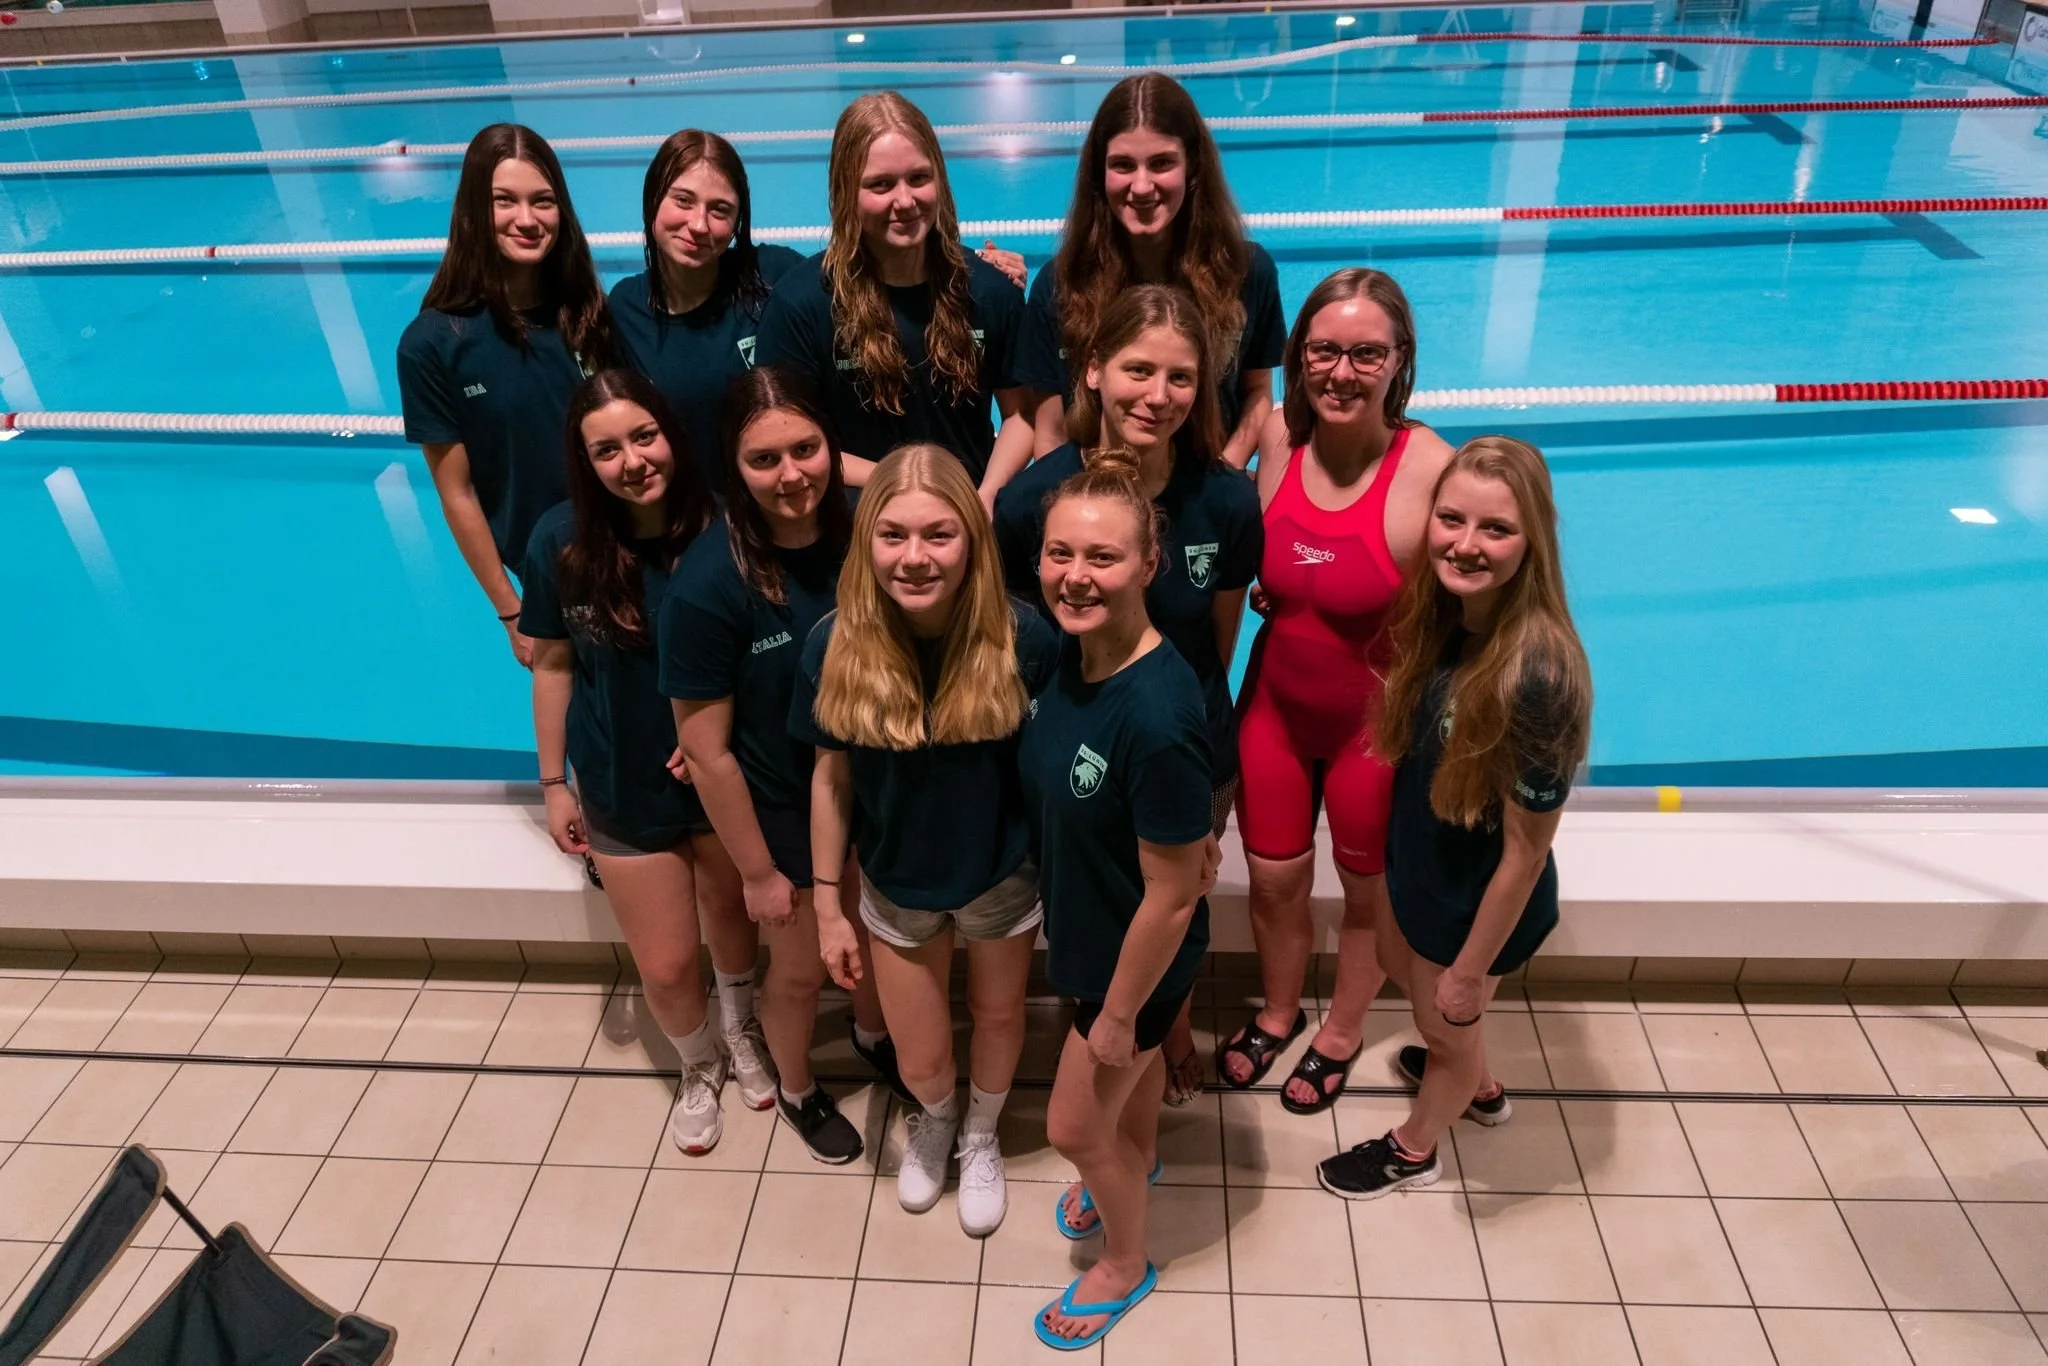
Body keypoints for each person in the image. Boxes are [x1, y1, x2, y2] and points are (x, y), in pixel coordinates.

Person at [994, 284, 1257, 1106]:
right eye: (1139, 370)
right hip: (1073, 740)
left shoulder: (1226, 499)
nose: (1158, 395)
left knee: (1171, 896)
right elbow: (1021, 638)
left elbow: (1216, 642)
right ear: (1094, 370)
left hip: (1185, 746)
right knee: (1103, 898)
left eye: (1181, 377)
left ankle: (1164, 1026)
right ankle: (1116, 1028)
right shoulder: (1032, 501)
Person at [791, 444, 1059, 1235]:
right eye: (894, 535)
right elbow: (831, 782)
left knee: (998, 1015)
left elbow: (1049, 775)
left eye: (939, 535)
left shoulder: (1021, 637)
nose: (914, 558)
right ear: (866, 540)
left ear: (972, 540)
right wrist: (829, 907)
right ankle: (937, 1117)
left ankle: (981, 1133)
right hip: (896, 880)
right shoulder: (833, 644)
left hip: (1001, 873)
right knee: (918, 1050)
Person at [1316, 436, 1592, 1199]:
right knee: (1420, 994)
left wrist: (1470, 974)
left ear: (1532, 541)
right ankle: (1476, 1083)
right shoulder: (1453, 617)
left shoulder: (1537, 677)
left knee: (1444, 1022)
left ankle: (1415, 1149)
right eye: (1452, 519)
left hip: (1474, 905)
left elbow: (1525, 856)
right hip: (1428, 870)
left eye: (1495, 529)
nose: (1466, 544)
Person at [1221, 269, 1456, 1114]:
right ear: (1298, 355)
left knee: (1367, 895)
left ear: (1400, 360)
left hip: (1373, 730)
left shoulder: (1430, 467)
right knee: (1273, 882)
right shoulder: (1277, 437)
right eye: (1324, 351)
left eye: (1366, 354)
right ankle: (1279, 1011)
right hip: (1275, 714)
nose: (1342, 373)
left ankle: (1343, 1031)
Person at [523, 369, 773, 1153]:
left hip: (719, 776)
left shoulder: (729, 526)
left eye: (644, 436)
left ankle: (742, 1027)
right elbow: (553, 664)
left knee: (731, 925)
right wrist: (553, 783)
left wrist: (708, 737)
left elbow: (766, 653)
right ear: (584, 460)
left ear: (670, 433)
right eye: (607, 450)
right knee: (664, 968)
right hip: (619, 780)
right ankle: (699, 1063)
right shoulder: (558, 542)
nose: (633, 461)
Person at [659, 366, 900, 1165]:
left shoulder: (866, 532)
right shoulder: (708, 584)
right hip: (784, 809)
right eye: (764, 460)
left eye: (806, 449)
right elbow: (705, 750)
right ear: (733, 466)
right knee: (798, 972)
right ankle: (798, 1087)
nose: (792, 475)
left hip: (874, 789)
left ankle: (872, 1033)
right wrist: (758, 872)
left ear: (833, 445)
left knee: (872, 936)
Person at [1020, 454, 1213, 1350]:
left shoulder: (1157, 715)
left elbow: (1171, 898)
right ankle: (1135, 1162)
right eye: (1060, 553)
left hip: (1136, 966)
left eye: (1102, 557)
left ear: (1149, 563)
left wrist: (1123, 1015)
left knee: (1072, 1124)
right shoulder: (1073, 657)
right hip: (1097, 936)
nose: (1075, 576)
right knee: (1124, 1112)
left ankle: (1126, 1261)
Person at [398, 123, 615, 668]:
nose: (527, 219)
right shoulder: (433, 344)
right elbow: (458, 492)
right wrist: (512, 612)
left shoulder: (587, 314)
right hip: (551, 575)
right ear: (474, 209)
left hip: (634, 545)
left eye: (543, 201)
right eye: (505, 201)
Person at [755, 91, 1033, 504]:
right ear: (846, 191)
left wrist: (987, 495)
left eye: (919, 178)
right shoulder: (801, 305)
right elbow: (789, 443)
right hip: (856, 519)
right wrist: (913, 484)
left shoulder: (989, 291)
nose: (905, 201)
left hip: (969, 513)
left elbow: (1020, 415)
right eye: (881, 185)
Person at [1014, 72, 1285, 472]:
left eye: (1161, 164)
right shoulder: (1062, 284)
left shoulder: (1245, 271)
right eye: (1123, 165)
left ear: (1192, 166)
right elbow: (1051, 430)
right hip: (1097, 495)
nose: (1141, 186)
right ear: (1099, 173)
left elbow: (1258, 394)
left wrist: (1222, 482)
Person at [609, 129, 806, 495]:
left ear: (737, 223)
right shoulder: (625, 309)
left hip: (789, 496)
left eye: (719, 210)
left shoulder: (774, 275)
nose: (699, 225)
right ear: (653, 199)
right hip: (695, 515)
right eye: (683, 200)